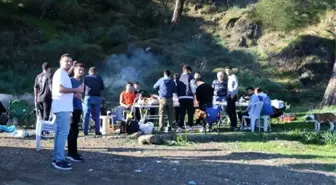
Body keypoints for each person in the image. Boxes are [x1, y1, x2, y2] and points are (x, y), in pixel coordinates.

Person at [51, 54, 83, 170]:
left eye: (70, 62)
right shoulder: (60, 73)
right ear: (60, 62)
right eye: (66, 61)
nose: (69, 63)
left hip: (62, 107)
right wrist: (77, 90)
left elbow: (64, 89)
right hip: (62, 107)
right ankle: (59, 160)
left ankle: (57, 158)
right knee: (63, 134)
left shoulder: (63, 74)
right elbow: (60, 89)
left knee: (60, 134)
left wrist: (74, 93)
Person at [67, 62, 85, 162]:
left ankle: (75, 151)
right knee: (72, 131)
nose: (81, 72)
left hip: (78, 108)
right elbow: (66, 93)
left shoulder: (81, 82)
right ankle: (71, 153)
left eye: (82, 70)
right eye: (79, 70)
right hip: (71, 108)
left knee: (76, 131)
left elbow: (80, 94)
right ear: (75, 70)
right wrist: (75, 94)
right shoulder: (70, 80)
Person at [82, 67, 105, 136]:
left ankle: (85, 131)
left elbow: (83, 88)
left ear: (89, 71)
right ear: (96, 72)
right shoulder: (99, 77)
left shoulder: (86, 77)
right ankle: (97, 131)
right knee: (97, 115)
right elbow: (102, 88)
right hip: (97, 98)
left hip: (88, 97)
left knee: (86, 115)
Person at [176, 65, 194, 131]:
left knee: (182, 113)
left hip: (181, 97)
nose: (190, 73)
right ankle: (190, 126)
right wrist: (194, 95)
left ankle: (180, 127)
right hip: (189, 97)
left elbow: (177, 88)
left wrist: (178, 96)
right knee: (190, 113)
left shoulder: (178, 77)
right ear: (187, 70)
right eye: (190, 71)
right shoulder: (190, 77)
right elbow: (193, 87)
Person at [225, 67, 239, 131]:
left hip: (232, 95)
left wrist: (233, 94)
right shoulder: (229, 77)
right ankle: (233, 125)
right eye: (226, 71)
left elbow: (236, 85)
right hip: (229, 95)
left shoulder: (234, 76)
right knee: (232, 110)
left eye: (228, 70)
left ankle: (233, 124)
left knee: (229, 110)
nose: (227, 72)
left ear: (231, 71)